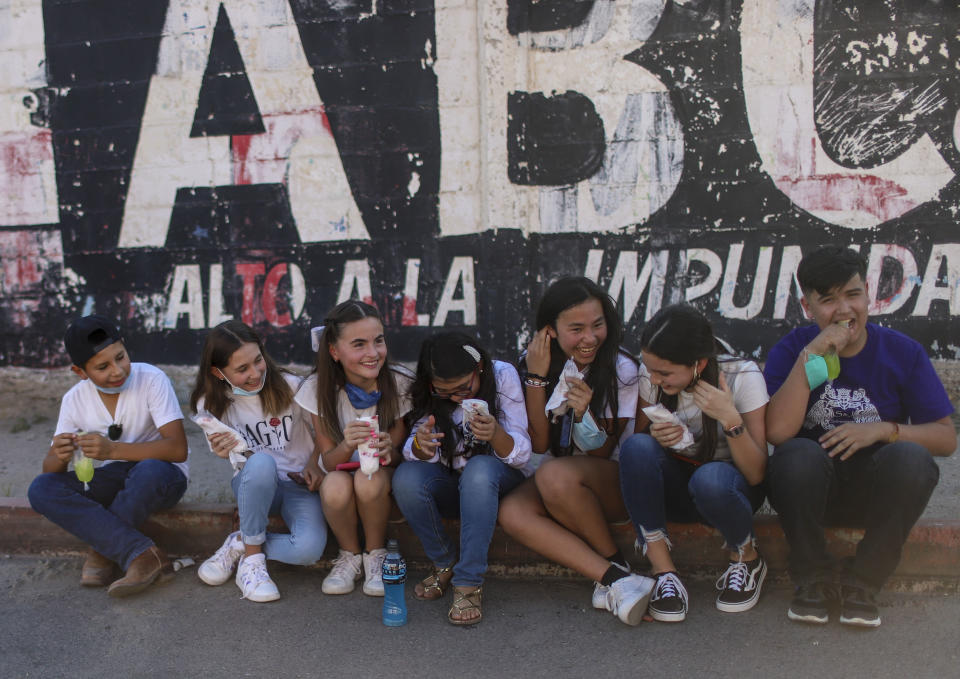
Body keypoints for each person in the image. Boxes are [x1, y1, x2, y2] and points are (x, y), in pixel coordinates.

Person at [764, 246, 955, 628]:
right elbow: (777, 433)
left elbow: (946, 439)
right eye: (828, 301)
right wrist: (809, 358)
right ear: (807, 307)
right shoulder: (790, 350)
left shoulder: (903, 352)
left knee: (914, 459)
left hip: (878, 496)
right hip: (812, 496)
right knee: (793, 455)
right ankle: (813, 579)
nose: (844, 310)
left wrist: (884, 430)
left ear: (868, 293)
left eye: (853, 295)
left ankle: (863, 583)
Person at [498, 276, 654, 626]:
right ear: (550, 331)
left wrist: (585, 414)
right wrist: (537, 379)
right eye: (576, 329)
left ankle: (615, 565)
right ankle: (618, 579)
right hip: (561, 482)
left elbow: (600, 455)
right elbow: (538, 444)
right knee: (512, 512)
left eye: (597, 325)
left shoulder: (621, 368)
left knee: (553, 474)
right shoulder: (530, 363)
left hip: (615, 482)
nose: (589, 338)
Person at [618, 305, 769, 622]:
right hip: (679, 487)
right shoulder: (652, 376)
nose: (655, 380)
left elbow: (756, 473)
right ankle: (663, 573)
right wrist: (660, 437)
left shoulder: (743, 376)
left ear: (699, 363)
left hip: (729, 492)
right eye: (650, 370)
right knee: (637, 446)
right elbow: (640, 458)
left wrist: (729, 417)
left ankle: (746, 557)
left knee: (711, 478)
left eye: (665, 373)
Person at [28, 315, 189, 597]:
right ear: (80, 371)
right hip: (116, 477)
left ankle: (102, 554)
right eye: (103, 366)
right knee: (41, 489)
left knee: (148, 470)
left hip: (163, 475)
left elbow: (177, 449)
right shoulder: (74, 399)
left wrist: (112, 450)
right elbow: (49, 470)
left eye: (121, 357)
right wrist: (60, 453)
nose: (117, 370)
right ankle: (142, 554)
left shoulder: (151, 379)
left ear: (125, 347)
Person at [392, 332, 532, 625]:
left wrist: (496, 435)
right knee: (406, 478)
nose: (456, 397)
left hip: (497, 482)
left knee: (479, 470)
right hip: (454, 484)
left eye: (463, 388)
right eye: (445, 392)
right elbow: (413, 450)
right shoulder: (428, 393)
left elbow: (522, 455)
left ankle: (468, 580)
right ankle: (445, 563)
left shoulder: (503, 376)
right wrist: (421, 445)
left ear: (478, 367)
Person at [189, 320, 326, 602]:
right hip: (255, 484)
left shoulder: (291, 386)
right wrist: (223, 450)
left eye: (258, 360)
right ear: (218, 372)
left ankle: (240, 541)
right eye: (242, 369)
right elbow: (244, 461)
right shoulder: (210, 404)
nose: (255, 373)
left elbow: (324, 437)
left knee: (309, 550)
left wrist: (314, 463)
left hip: (299, 484)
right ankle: (252, 564)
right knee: (262, 463)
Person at [295, 301, 413, 597]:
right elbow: (329, 462)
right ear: (334, 351)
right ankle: (349, 555)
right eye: (358, 344)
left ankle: (376, 553)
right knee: (334, 485)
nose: (373, 354)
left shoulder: (398, 383)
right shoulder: (317, 388)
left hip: (381, 477)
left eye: (378, 341)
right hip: (341, 471)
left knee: (368, 478)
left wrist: (389, 449)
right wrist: (347, 444)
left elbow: (401, 455)